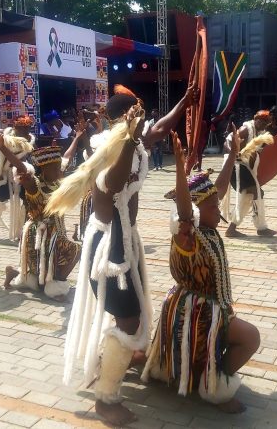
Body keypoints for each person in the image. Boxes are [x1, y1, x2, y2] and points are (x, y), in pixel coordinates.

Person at [46, 83, 198, 426]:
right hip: (109, 248)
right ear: (127, 119)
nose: (147, 125)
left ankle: (121, 354)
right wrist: (129, 138)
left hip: (125, 240)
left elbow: (160, 130)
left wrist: (184, 101)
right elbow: (112, 186)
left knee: (130, 313)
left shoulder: (136, 140)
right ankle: (106, 397)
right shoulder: (107, 147)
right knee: (128, 317)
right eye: (140, 118)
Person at [142, 128, 260, 413]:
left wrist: (232, 154)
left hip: (209, 308)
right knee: (250, 337)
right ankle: (216, 388)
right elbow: (185, 208)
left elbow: (217, 188)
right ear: (195, 212)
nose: (218, 208)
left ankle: (203, 377)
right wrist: (180, 169)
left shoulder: (206, 228)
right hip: (196, 311)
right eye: (211, 205)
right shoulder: (188, 234)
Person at [0, 128, 82, 299]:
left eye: (60, 167)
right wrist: (2, 148)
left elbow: (67, 157)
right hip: (38, 236)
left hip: (55, 234)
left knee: (39, 274)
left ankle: (17, 274)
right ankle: (55, 286)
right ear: (45, 170)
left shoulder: (57, 180)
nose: (61, 170)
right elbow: (21, 167)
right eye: (56, 168)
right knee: (75, 250)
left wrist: (78, 137)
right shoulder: (34, 184)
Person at [0, 115, 35, 243]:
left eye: (27, 128)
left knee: (27, 204)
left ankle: (23, 233)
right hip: (5, 176)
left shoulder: (31, 141)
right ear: (15, 127)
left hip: (23, 176)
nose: (25, 131)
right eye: (21, 128)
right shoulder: (4, 136)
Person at [224, 110, 277, 237]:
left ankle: (232, 228)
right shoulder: (245, 129)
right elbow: (227, 141)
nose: (263, 125)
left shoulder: (261, 133)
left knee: (248, 195)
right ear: (256, 119)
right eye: (262, 121)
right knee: (256, 191)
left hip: (244, 167)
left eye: (266, 123)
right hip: (235, 166)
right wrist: (234, 154)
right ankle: (261, 228)